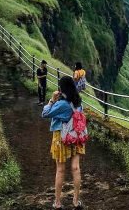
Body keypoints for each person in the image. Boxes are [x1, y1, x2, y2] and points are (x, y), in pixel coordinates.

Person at [42, 76, 85, 209]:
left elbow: (45, 114)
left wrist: (51, 100)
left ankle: (58, 203)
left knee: (60, 170)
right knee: (76, 168)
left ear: (62, 89)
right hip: (77, 138)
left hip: (62, 137)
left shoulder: (61, 104)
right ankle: (76, 201)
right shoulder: (79, 103)